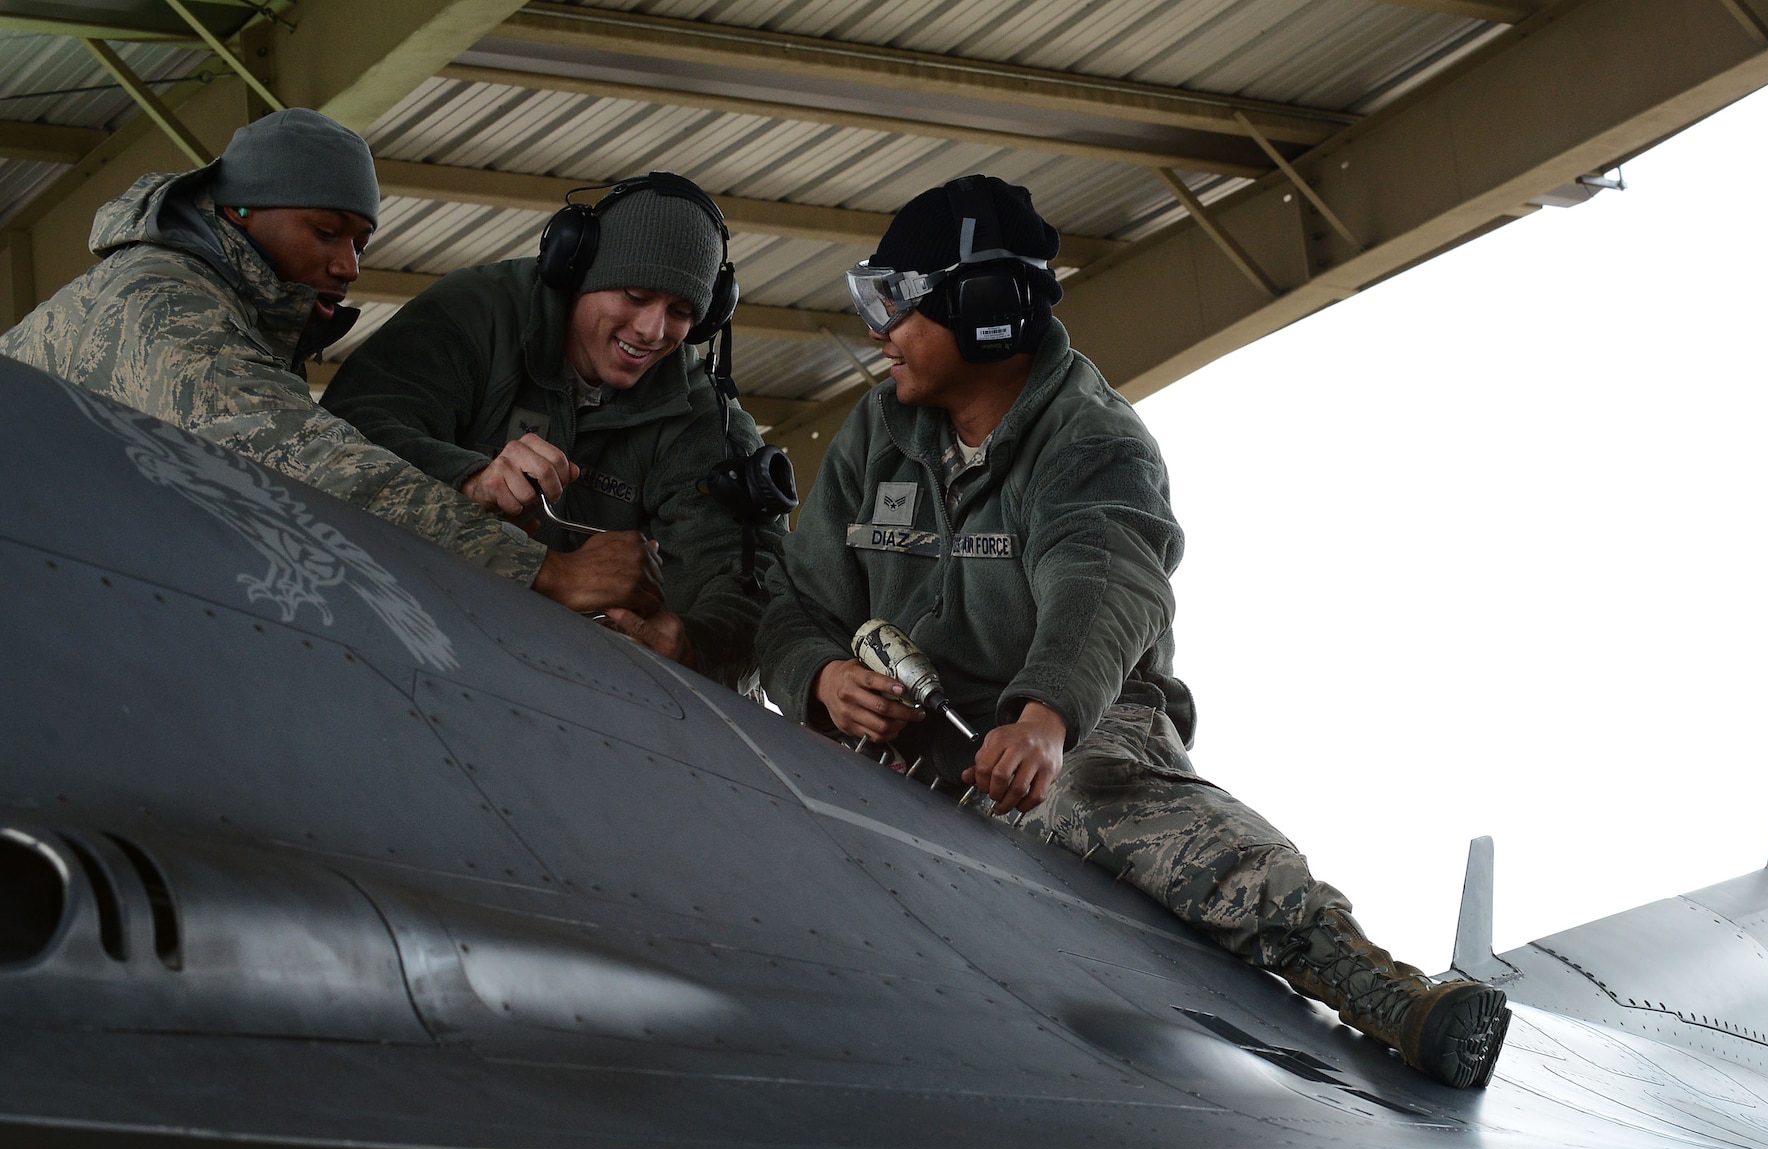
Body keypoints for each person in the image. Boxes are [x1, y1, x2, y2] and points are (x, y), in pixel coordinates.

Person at [755, 175, 1511, 1089]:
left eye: (898, 305)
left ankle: (1385, 992)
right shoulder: (879, 431)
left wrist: (1044, 718)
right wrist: (821, 679)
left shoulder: (1092, 440)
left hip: (1073, 725)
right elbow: (798, 601)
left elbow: (1104, 582)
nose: (879, 331)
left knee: (1085, 795)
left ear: (985, 311)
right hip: (907, 739)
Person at [0, 108, 658, 617]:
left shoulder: (233, 312)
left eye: (360, 240)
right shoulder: (160, 298)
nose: (349, 266)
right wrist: (546, 572)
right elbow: (300, 459)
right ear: (242, 210)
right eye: (325, 232)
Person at [323, 173, 779, 684]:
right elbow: (341, 436)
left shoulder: (702, 417)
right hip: (399, 632)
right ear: (577, 266)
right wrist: (468, 480)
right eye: (634, 293)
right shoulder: (474, 315)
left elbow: (754, 577)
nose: (652, 331)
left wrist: (692, 643)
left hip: (572, 683)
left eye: (680, 312)